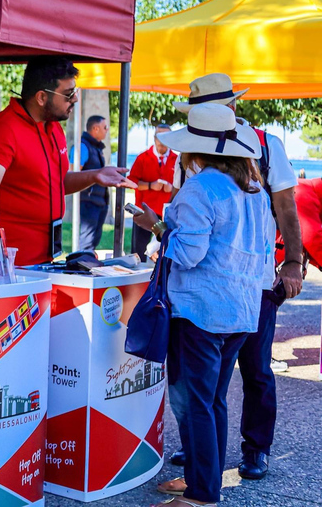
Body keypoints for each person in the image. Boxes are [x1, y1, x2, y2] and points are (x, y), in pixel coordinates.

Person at [163, 73, 303, 482]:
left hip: (241, 287)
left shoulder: (263, 145)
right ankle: (201, 454)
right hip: (235, 286)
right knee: (213, 391)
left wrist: (292, 262)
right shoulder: (204, 158)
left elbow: (287, 208)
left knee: (252, 373)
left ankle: (249, 451)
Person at [134, 103, 274, 507]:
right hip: (240, 310)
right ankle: (201, 479)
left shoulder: (200, 189)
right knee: (212, 401)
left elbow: (190, 253)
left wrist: (158, 227)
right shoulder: (252, 191)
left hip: (200, 311)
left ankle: (201, 494)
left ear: (195, 149)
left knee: (197, 403)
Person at [0, 57, 135, 265]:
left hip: (42, 257)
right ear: (42, 97)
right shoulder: (4, 128)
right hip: (5, 260)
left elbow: (53, 184)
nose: (75, 100)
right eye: (69, 94)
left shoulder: (53, 128)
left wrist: (95, 175)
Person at [128, 125, 176, 258]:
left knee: (166, 251)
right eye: (161, 136)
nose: (163, 140)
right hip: (145, 211)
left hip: (167, 212)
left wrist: (171, 188)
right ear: (154, 138)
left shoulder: (177, 160)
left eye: (167, 137)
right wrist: (150, 185)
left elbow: (183, 186)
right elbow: (131, 182)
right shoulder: (143, 158)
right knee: (138, 251)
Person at [71, 115, 110, 251]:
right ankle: (82, 265)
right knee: (86, 242)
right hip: (88, 202)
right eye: (105, 127)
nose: (107, 130)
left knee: (92, 241)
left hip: (97, 201)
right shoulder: (82, 147)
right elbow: (73, 173)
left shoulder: (95, 147)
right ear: (95, 128)